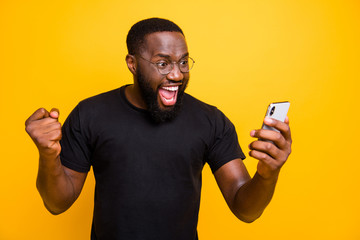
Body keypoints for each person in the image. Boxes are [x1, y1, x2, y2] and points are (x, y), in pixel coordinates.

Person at [25, 18, 292, 240]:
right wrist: (48, 156)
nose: (177, 74)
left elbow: (245, 209)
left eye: (184, 62)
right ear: (132, 63)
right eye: (163, 63)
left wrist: (268, 174)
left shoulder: (211, 121)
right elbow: (57, 203)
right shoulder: (90, 114)